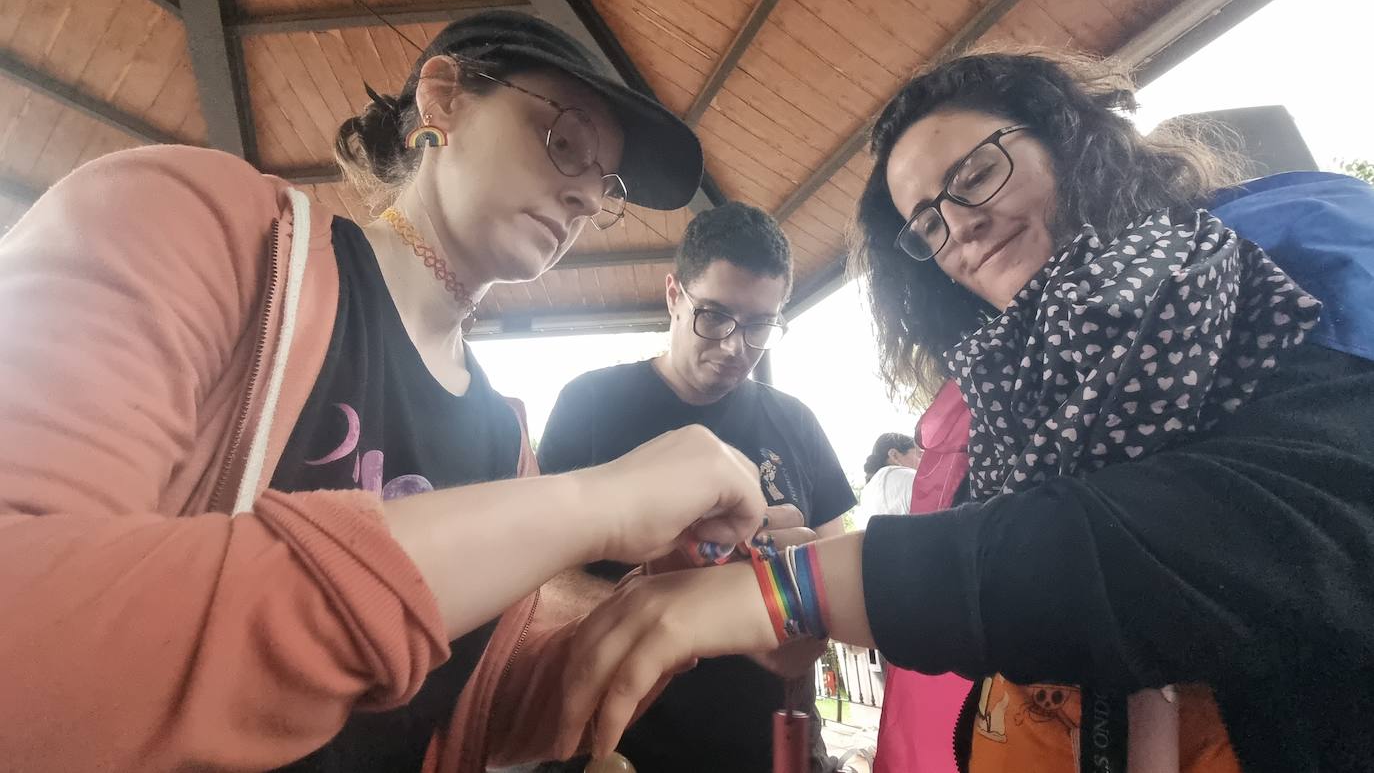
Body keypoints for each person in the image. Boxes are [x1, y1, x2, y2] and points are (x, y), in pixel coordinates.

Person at [548, 48, 1374, 773]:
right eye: (928, 225)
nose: (961, 226)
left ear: (1068, 137)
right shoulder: (1006, 396)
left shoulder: (1287, 251)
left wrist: (798, 586)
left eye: (975, 175)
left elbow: (1270, 529)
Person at [0, 11, 769, 773]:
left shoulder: (505, 439)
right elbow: (29, 638)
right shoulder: (195, 223)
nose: (582, 197)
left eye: (603, 184)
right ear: (443, 100)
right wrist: (593, 504)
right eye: (563, 142)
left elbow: (476, 715)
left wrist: (658, 608)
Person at [537, 202, 855, 773]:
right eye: (715, 315)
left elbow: (835, 589)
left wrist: (796, 593)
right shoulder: (589, 403)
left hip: (756, 746)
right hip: (612, 743)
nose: (736, 345)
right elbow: (535, 581)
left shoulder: (798, 423)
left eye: (760, 323)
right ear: (672, 296)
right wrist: (666, 596)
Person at [855, 432, 921, 531]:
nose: (925, 461)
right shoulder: (904, 476)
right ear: (894, 455)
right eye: (919, 454)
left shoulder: (866, 494)